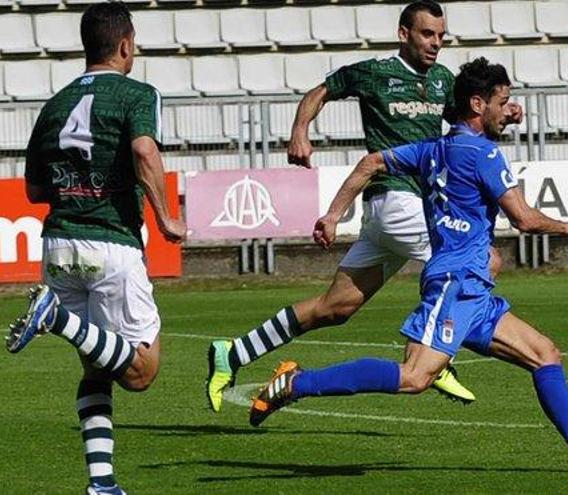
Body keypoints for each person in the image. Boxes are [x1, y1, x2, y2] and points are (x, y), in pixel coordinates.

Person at [247, 58, 568, 474]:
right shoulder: (484, 154)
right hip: (456, 284)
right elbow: (524, 219)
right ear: (478, 104)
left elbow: (370, 164)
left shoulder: (432, 149)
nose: (509, 111)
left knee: (544, 354)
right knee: (415, 377)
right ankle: (296, 384)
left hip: (473, 289)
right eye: (503, 102)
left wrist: (334, 214)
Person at [206, 0, 522, 411]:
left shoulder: (444, 80)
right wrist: (300, 130)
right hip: (395, 199)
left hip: (399, 215)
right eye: (427, 34)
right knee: (484, 259)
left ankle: (231, 352)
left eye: (441, 36)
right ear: (403, 33)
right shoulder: (375, 73)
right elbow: (320, 92)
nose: (436, 44)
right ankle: (433, 351)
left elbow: (465, 126)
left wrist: (504, 113)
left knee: (335, 307)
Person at [6, 3, 185, 494]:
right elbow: (145, 150)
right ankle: (54, 318)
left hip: (59, 245)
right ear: (126, 45)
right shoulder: (136, 93)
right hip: (110, 245)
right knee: (142, 371)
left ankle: (101, 484)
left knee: (98, 363)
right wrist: (165, 216)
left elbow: (35, 192)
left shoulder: (55, 104)